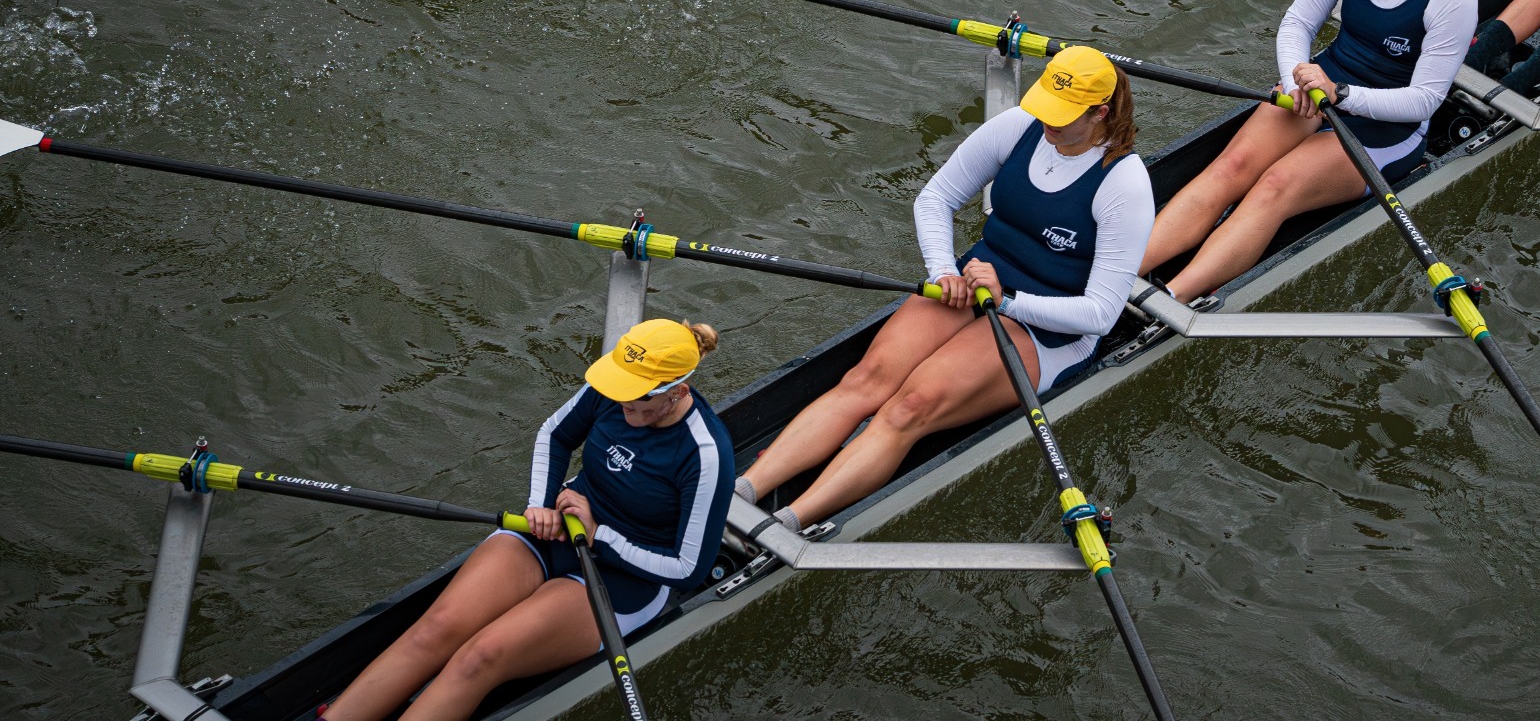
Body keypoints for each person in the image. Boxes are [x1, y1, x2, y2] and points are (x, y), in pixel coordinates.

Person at [734, 46, 1151, 531]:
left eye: (1061, 116)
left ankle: (781, 528)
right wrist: (942, 273)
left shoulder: (1125, 184)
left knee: (910, 406)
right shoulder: (1020, 127)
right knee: (865, 380)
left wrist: (1010, 301)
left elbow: (1101, 314)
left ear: (1100, 113)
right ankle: (741, 494)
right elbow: (935, 198)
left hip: (1050, 329)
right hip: (973, 283)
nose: (1047, 123)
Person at [325, 320, 734, 721]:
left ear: (676, 391)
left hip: (626, 576)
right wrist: (540, 506)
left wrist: (599, 535)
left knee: (479, 657)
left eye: (636, 401)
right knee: (437, 629)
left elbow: (687, 568)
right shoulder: (616, 385)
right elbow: (554, 435)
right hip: (558, 527)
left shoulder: (706, 453)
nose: (622, 404)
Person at [1137, 0, 1476, 301]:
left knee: (1274, 186)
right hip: (1315, 90)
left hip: (1386, 128)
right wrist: (1293, 79)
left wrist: (1344, 95)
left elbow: (1425, 101)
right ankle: (1113, 279)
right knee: (1230, 169)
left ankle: (1166, 303)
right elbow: (1297, 22)